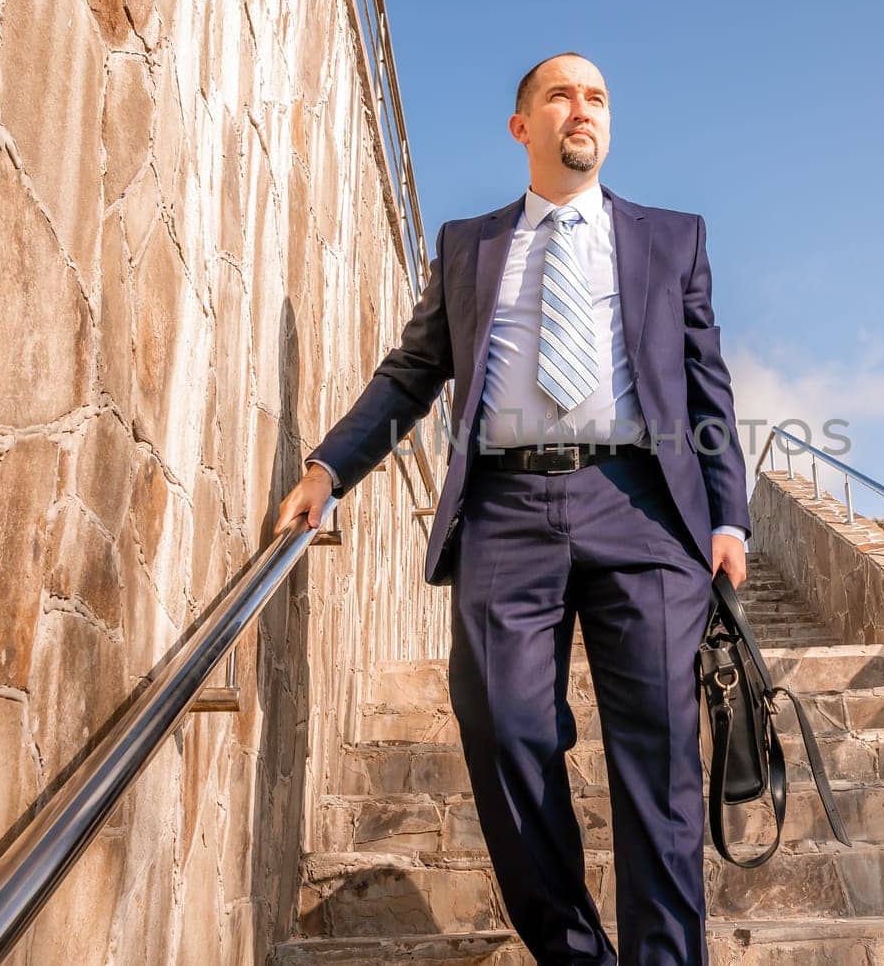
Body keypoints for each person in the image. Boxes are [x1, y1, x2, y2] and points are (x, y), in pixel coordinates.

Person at [275, 51, 750, 964]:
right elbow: (412, 373)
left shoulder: (671, 238)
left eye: (599, 96)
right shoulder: (470, 245)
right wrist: (331, 466)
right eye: (562, 95)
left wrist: (728, 519)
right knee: (501, 727)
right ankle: (577, 954)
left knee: (658, 764)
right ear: (522, 126)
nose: (584, 108)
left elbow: (706, 390)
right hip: (505, 508)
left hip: (645, 510)